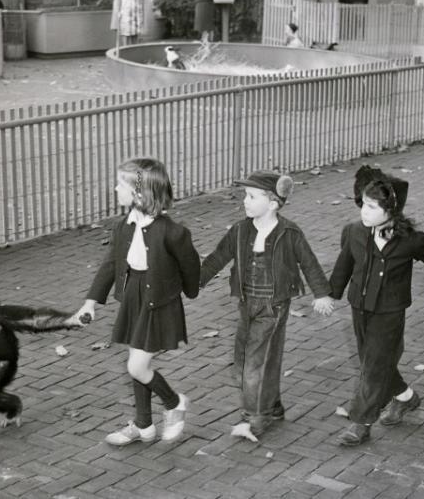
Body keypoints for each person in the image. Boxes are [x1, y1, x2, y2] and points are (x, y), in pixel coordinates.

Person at [327, 166, 424, 446]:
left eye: (373, 207)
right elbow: (344, 265)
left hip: (390, 311)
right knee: (371, 361)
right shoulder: (353, 232)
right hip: (359, 307)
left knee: (373, 366)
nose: (364, 211)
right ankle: (406, 397)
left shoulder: (409, 239)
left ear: (391, 211)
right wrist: (330, 294)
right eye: (364, 204)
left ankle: (361, 423)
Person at [199, 171, 333, 439]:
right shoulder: (240, 230)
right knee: (242, 363)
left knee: (254, 364)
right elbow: (217, 258)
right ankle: (271, 405)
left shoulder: (289, 232)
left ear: (272, 203)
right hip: (246, 303)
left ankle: (255, 418)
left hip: (274, 306)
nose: (245, 202)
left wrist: (321, 293)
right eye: (244, 196)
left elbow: (309, 262)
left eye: (251, 196)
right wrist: (194, 282)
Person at [77, 157, 200, 445]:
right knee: (136, 359)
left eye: (120, 183)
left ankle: (174, 402)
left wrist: (187, 291)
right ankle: (144, 425)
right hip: (134, 296)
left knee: (137, 366)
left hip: (158, 303)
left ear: (138, 193)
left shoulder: (172, 232)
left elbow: (190, 266)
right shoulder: (124, 226)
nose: (114, 188)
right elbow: (111, 264)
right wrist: (91, 301)